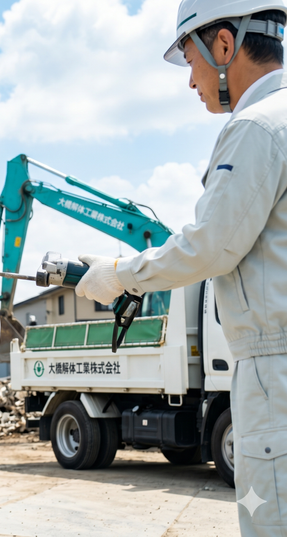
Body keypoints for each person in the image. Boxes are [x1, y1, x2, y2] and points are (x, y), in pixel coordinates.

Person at [74, 1, 287, 534]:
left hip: (274, 370)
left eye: (190, 59)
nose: (190, 81)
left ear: (223, 44)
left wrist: (121, 274)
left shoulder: (257, 128)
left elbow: (209, 247)